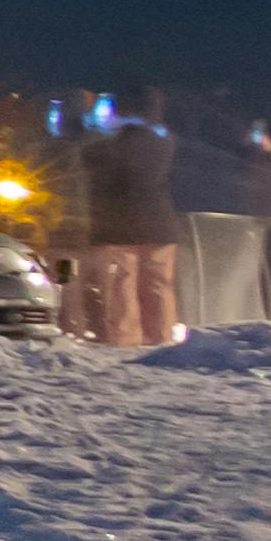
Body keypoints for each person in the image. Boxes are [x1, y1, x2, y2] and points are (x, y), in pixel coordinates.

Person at [77, 92, 186, 350]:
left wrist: (95, 128)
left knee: (120, 287)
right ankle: (162, 340)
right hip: (160, 225)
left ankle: (126, 344)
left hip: (117, 228)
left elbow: (87, 159)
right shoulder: (165, 142)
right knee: (159, 287)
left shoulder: (106, 146)